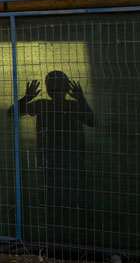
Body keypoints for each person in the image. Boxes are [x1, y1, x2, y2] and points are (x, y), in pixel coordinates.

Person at [8, 71, 95, 245]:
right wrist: (82, 100)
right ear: (67, 87)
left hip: (50, 163)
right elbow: (92, 121)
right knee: (69, 201)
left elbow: (12, 112)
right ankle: (70, 239)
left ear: (47, 90)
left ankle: (56, 238)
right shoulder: (72, 106)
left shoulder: (43, 105)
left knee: (53, 201)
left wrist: (27, 98)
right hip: (70, 164)